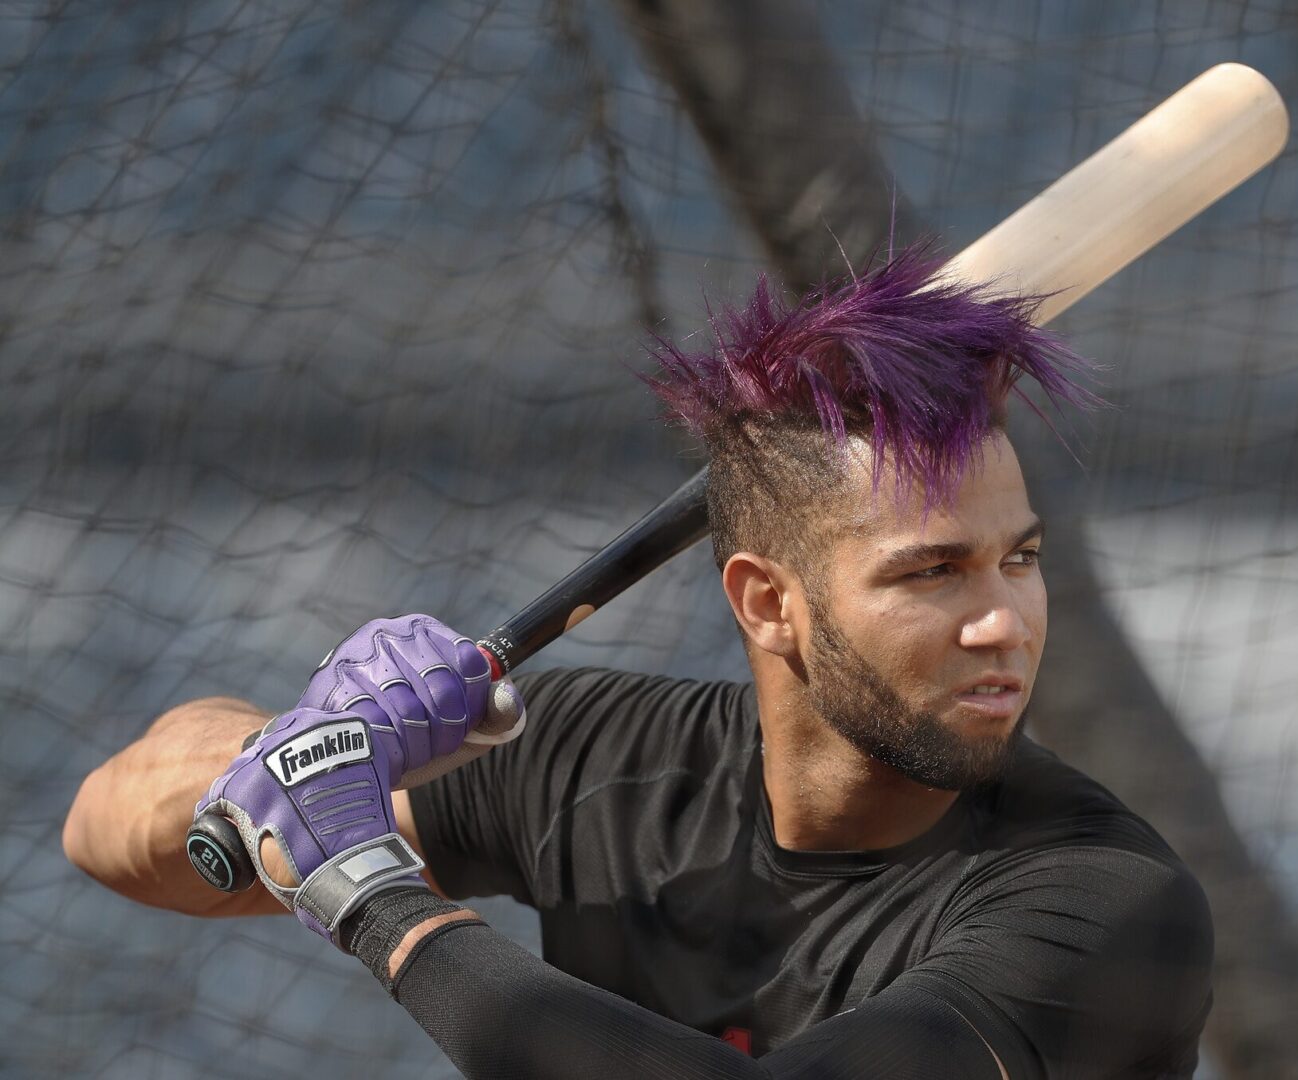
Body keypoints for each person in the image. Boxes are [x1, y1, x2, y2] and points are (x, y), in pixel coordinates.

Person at [63, 251, 1215, 1078]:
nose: (1004, 621)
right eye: (933, 574)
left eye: (1020, 560)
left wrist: (375, 900)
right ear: (768, 602)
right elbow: (114, 838)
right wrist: (289, 755)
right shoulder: (591, 757)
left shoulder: (1106, 902)